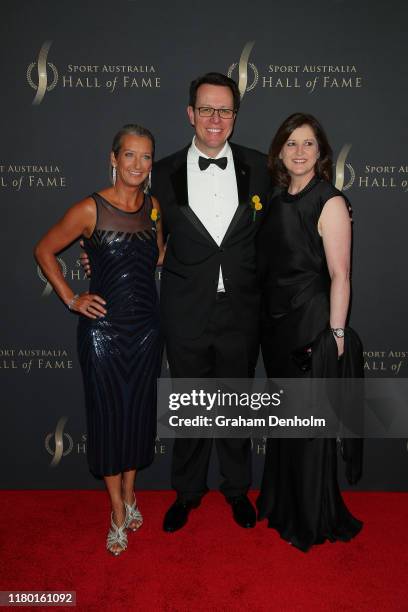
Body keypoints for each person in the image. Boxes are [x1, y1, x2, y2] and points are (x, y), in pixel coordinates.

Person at [34, 125, 164, 556]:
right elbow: (44, 249)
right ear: (113, 158)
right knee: (109, 418)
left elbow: (156, 256)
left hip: (146, 332)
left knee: (137, 415)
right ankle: (115, 510)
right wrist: (71, 297)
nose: (137, 165)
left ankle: (130, 492)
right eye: (129, 155)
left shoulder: (154, 207)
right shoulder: (89, 209)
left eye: (145, 157)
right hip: (103, 335)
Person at [152, 73, 271, 532]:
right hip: (185, 310)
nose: (215, 118)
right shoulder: (161, 173)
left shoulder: (260, 168)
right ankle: (186, 492)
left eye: (224, 110)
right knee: (189, 405)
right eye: (206, 109)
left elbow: (280, 231)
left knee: (235, 403)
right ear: (190, 114)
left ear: (235, 117)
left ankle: (238, 489)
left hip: (242, 310)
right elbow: (145, 233)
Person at [256, 113, 363, 551]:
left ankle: (310, 515)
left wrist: (336, 334)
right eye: (292, 143)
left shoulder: (330, 201)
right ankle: (282, 502)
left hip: (310, 323)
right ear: (280, 151)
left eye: (308, 144)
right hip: (276, 326)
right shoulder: (277, 200)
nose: (299, 151)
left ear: (320, 154)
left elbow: (340, 274)